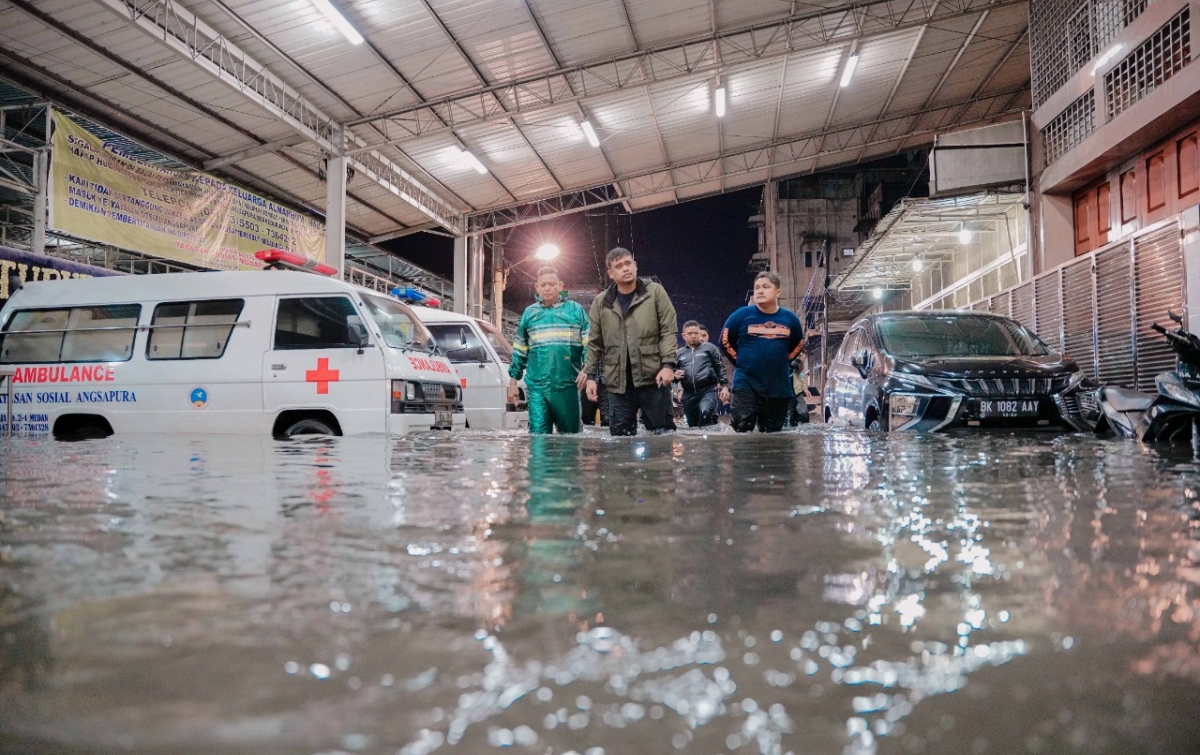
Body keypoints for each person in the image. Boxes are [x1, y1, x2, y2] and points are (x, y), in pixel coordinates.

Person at [582, 247, 678, 436]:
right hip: (618, 385)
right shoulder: (601, 302)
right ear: (611, 273)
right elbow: (594, 342)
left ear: (635, 265)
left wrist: (668, 364)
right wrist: (590, 377)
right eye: (619, 266)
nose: (625, 268)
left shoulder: (655, 292)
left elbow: (669, 330)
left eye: (628, 263)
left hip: (653, 381)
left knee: (661, 437)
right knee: (620, 440)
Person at [719, 271, 805, 433]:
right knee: (742, 430)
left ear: (777, 292)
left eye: (766, 287)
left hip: (778, 387)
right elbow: (724, 341)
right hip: (746, 384)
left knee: (772, 435)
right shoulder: (740, 315)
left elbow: (798, 344)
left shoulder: (790, 319)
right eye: (757, 287)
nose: (760, 291)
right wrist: (742, 362)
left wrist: (783, 363)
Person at [507, 267, 590, 434]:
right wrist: (512, 383)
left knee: (570, 441)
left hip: (568, 386)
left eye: (552, 284)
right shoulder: (529, 314)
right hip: (538, 389)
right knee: (538, 441)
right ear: (537, 287)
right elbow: (520, 350)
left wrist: (587, 369)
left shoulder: (576, 311)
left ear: (560, 286)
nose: (547, 288)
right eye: (543, 284)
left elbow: (590, 345)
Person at [674, 320, 729, 428]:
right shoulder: (679, 354)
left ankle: (710, 442)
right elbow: (672, 374)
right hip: (688, 394)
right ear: (683, 335)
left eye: (696, 333)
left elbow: (720, 368)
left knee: (706, 414)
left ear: (700, 333)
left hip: (707, 391)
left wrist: (725, 387)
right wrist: (675, 375)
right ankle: (696, 444)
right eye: (690, 333)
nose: (693, 336)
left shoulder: (710, 348)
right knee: (693, 425)